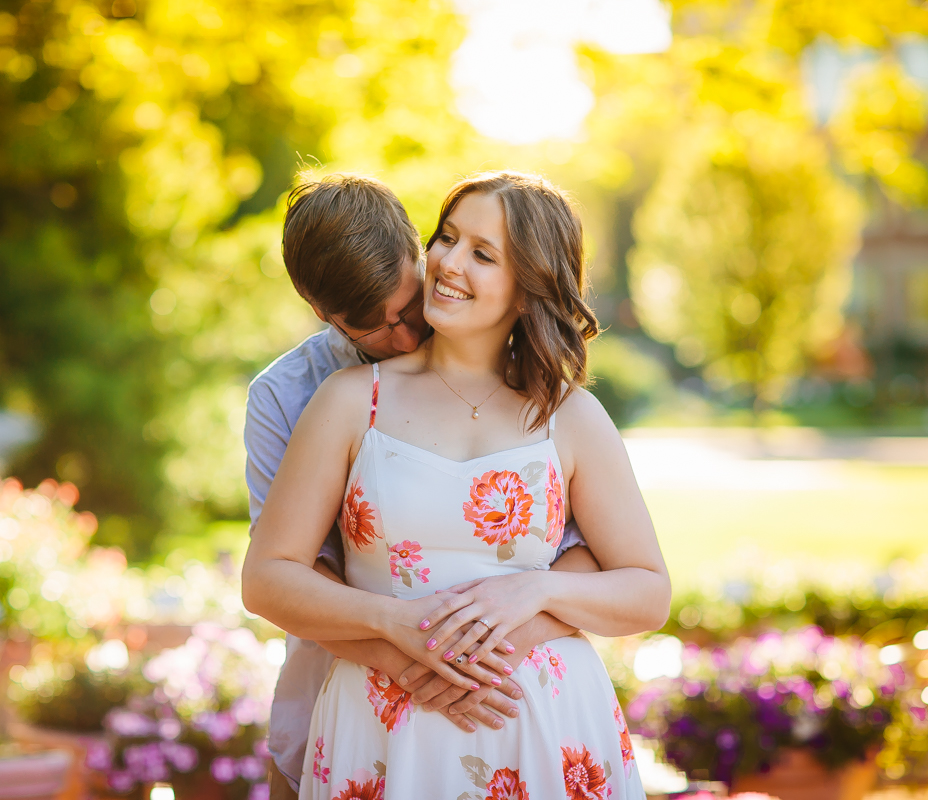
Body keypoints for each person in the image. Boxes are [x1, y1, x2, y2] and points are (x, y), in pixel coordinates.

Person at [243, 171, 670, 799]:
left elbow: (644, 588)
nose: (447, 263)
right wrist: (402, 638)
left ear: (527, 289)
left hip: (541, 723)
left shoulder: (569, 415)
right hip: (381, 723)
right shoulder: (339, 400)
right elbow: (272, 576)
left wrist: (532, 592)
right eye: (447, 238)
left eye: (482, 252)